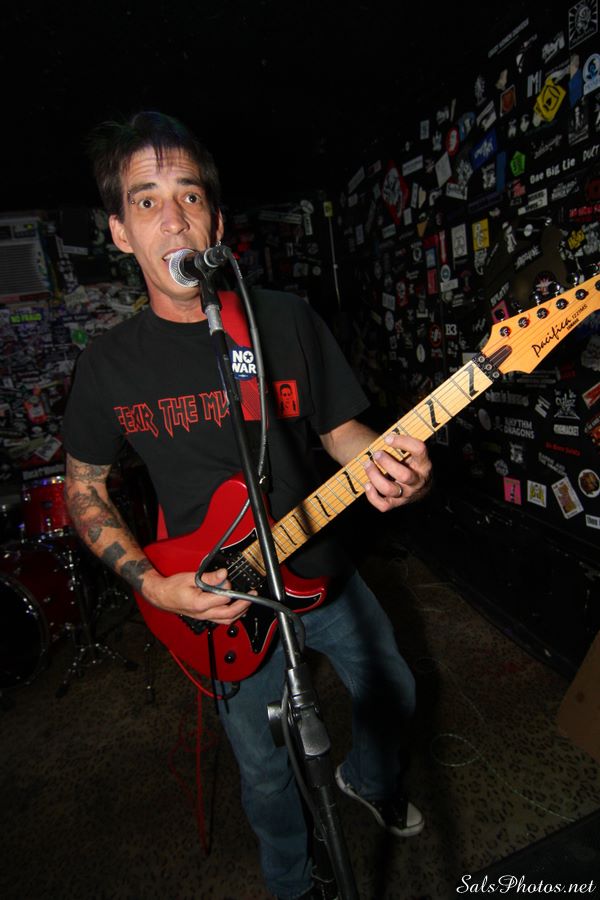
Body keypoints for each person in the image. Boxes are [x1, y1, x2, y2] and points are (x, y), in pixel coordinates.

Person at [62, 111, 433, 900]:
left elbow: (342, 433)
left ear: (217, 222)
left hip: (324, 570)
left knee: (393, 689)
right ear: (120, 232)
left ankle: (368, 780)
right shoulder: (108, 366)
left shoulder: (283, 320)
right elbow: (84, 487)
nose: (173, 218)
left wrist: (394, 465)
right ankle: (292, 884)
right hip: (217, 596)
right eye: (147, 200)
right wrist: (153, 587)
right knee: (264, 772)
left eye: (189, 196)